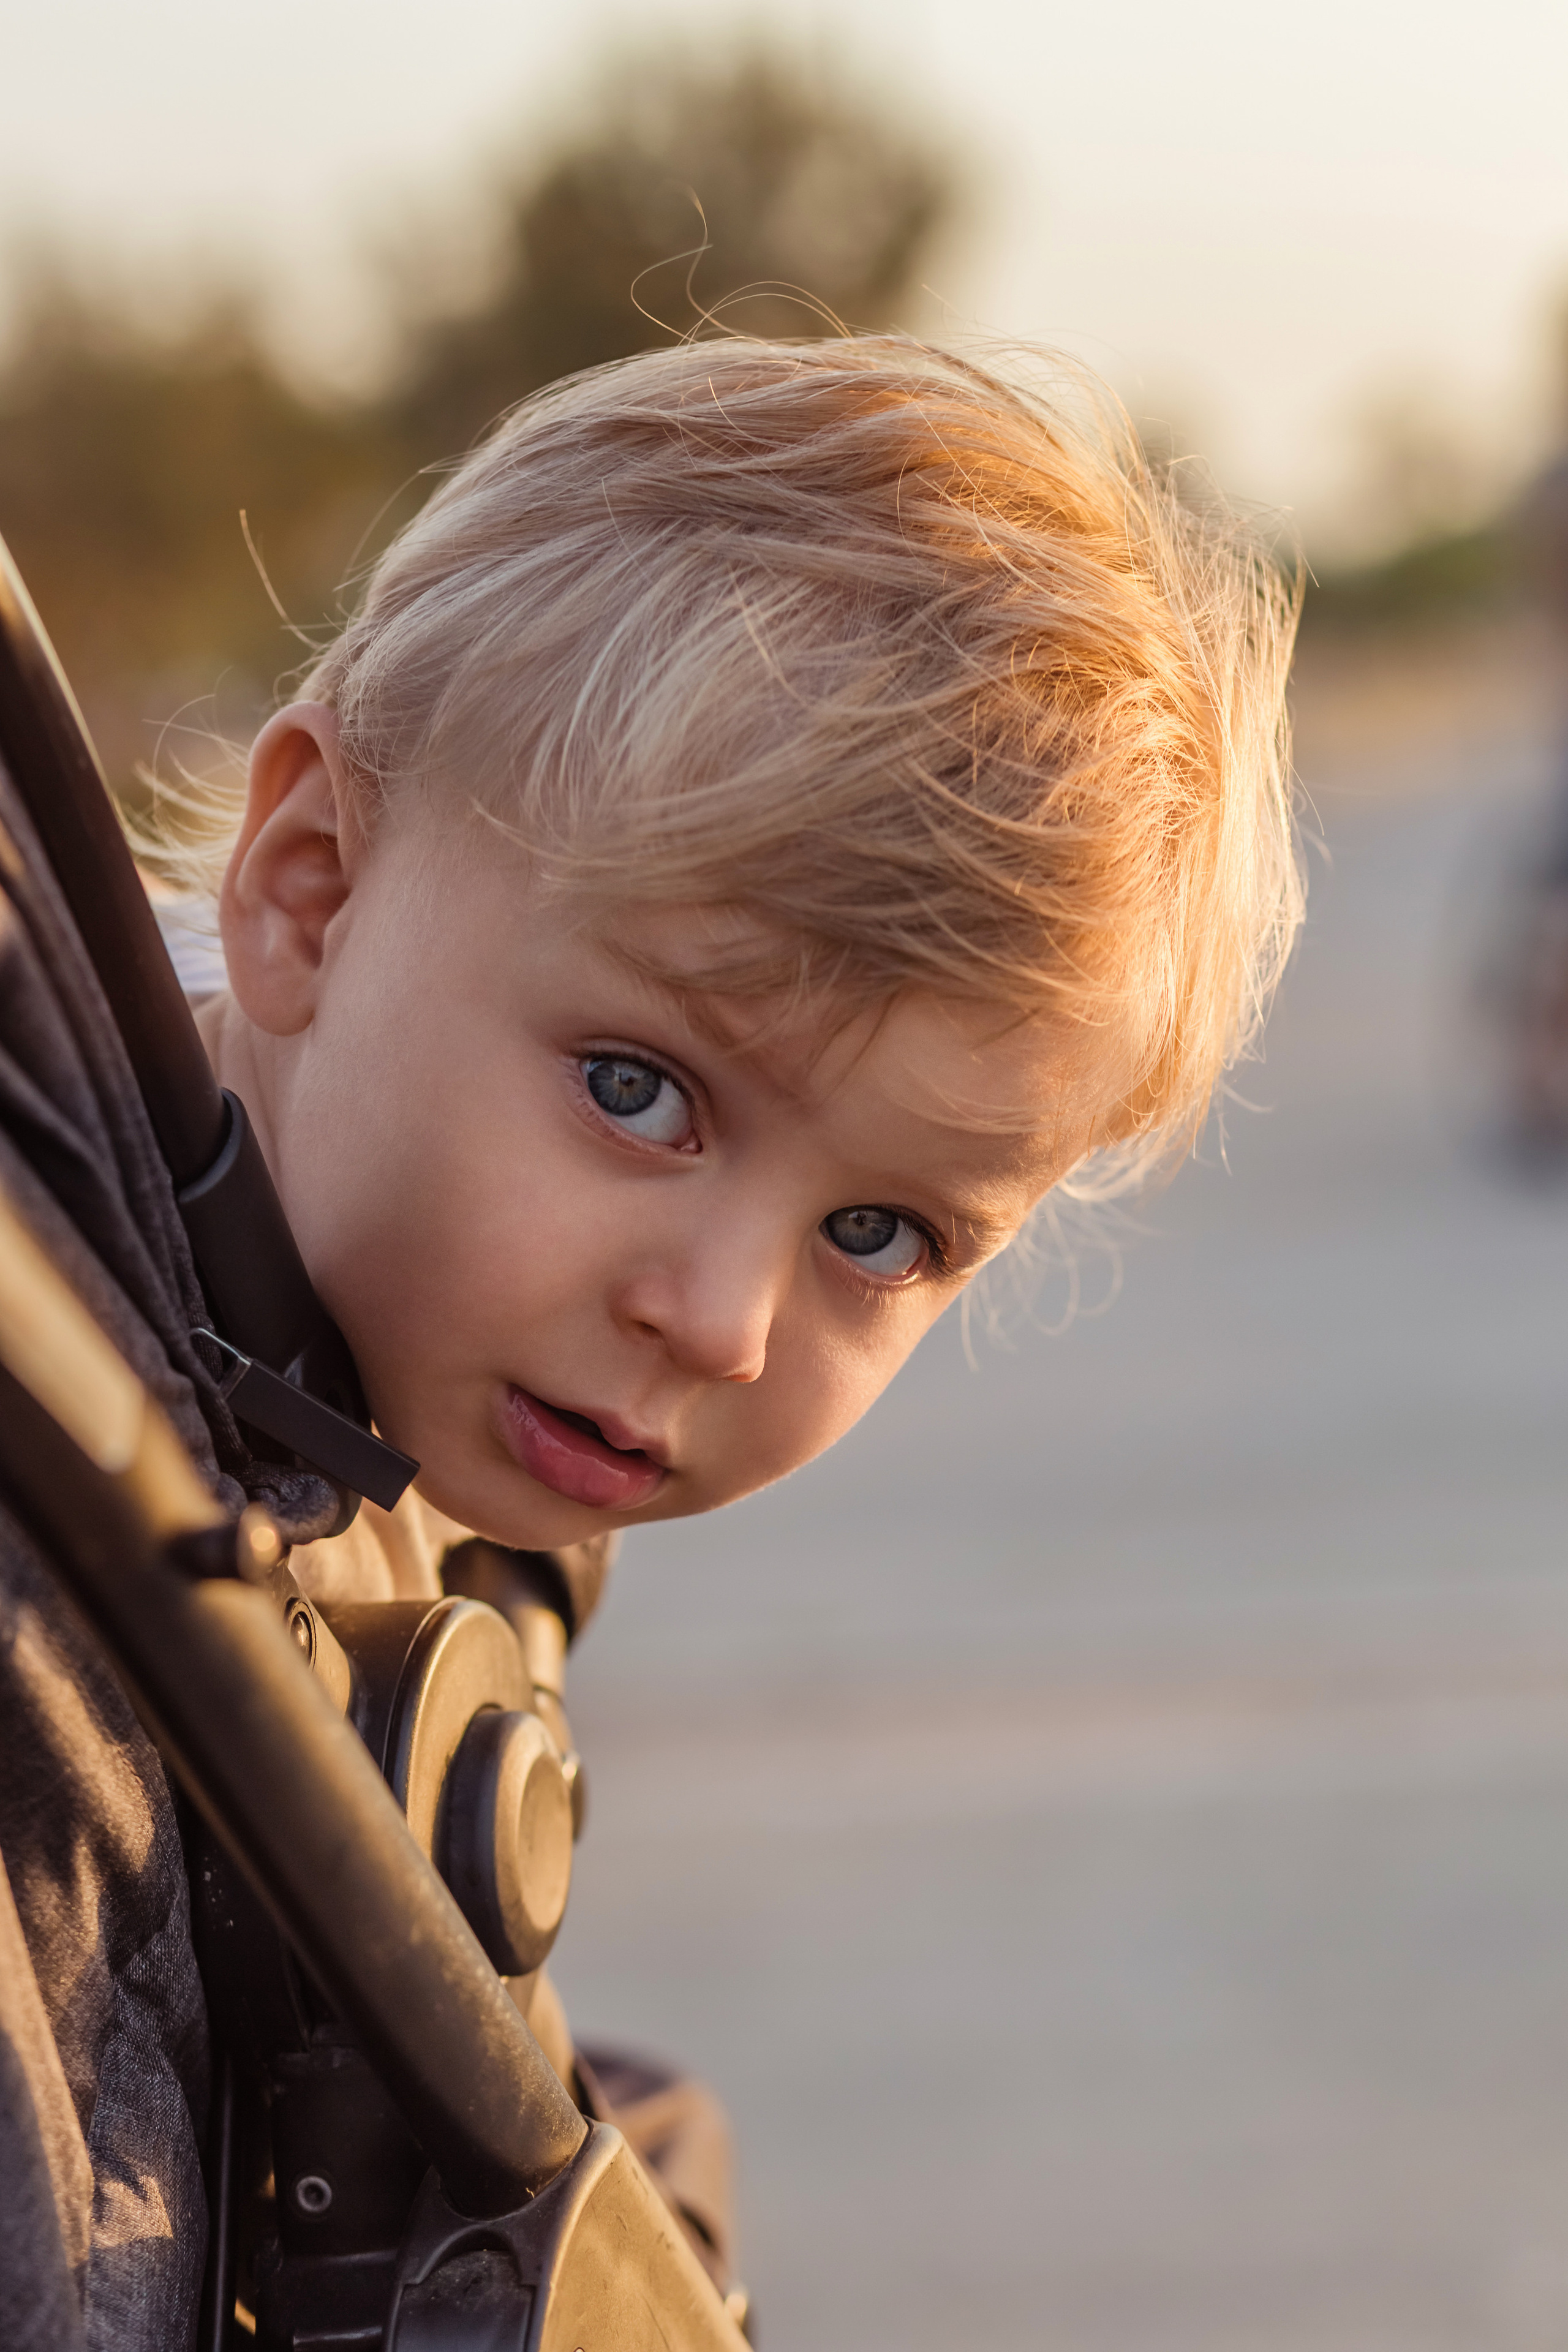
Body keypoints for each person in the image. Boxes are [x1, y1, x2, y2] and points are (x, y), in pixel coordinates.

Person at [2, 331, 1302, 2347]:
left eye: (880, 1233)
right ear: (311, 891)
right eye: (638, 1091)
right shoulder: (51, 1565)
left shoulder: (390, 1449)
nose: (716, 1317)